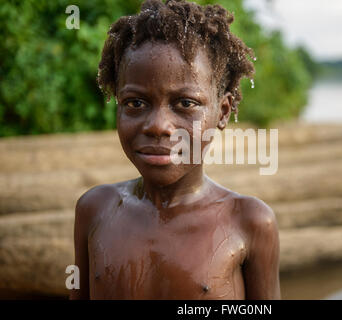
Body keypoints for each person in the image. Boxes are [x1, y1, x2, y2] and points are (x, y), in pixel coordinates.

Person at [70, 0, 280, 300]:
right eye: (136, 103)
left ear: (222, 112)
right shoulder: (95, 209)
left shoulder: (250, 221)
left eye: (185, 103)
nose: (158, 126)